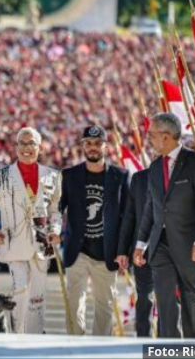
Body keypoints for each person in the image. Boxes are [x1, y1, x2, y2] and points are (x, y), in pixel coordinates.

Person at [0, 127, 62, 334]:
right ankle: (16, 336)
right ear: (16, 147)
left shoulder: (53, 176)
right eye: (22, 143)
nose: (26, 148)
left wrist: (55, 229)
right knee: (20, 289)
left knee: (38, 298)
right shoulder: (1, 176)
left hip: (42, 246)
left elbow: (56, 210)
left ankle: (34, 341)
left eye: (31, 144)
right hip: (13, 243)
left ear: (40, 148)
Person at [134, 112, 195, 338]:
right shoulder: (154, 167)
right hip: (160, 244)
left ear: (167, 136)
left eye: (151, 135)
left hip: (190, 243)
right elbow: (152, 208)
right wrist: (141, 243)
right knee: (165, 297)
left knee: (190, 295)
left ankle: (193, 345)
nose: (148, 139)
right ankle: (170, 347)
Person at [58, 125, 129, 336]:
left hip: (107, 253)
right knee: (73, 304)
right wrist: (52, 228)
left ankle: (100, 349)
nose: (93, 148)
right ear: (82, 146)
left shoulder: (121, 176)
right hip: (76, 251)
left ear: (105, 146)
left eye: (98, 143)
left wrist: (123, 250)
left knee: (105, 307)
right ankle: (76, 347)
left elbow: (127, 217)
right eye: (88, 143)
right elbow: (58, 207)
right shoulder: (69, 175)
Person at [117, 166, 155, 337]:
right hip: (142, 250)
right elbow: (130, 216)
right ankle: (144, 341)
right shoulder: (139, 179)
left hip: (171, 248)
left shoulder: (185, 175)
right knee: (145, 296)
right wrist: (123, 250)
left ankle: (165, 343)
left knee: (167, 300)